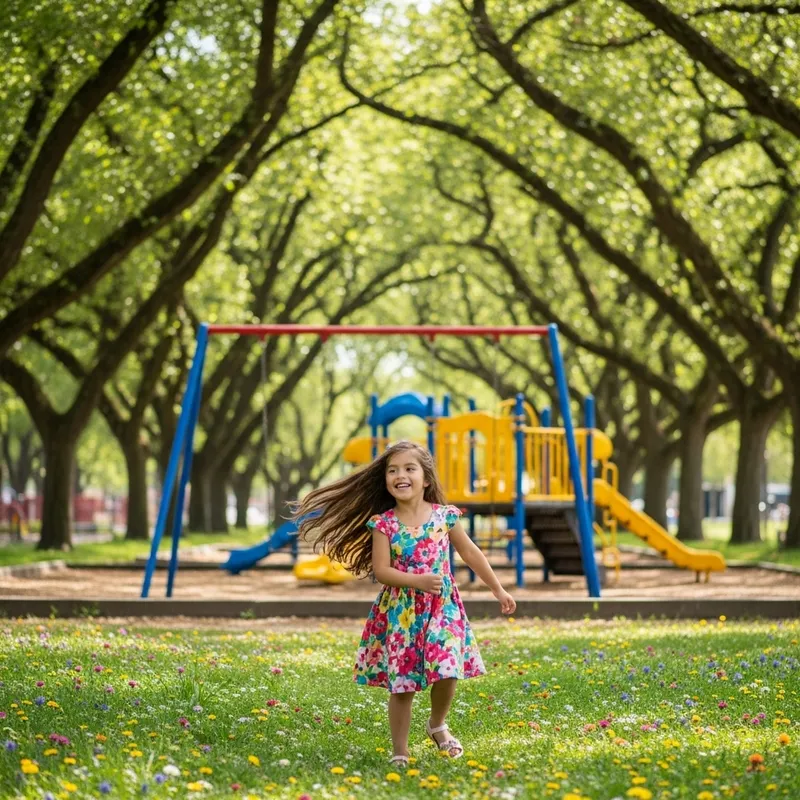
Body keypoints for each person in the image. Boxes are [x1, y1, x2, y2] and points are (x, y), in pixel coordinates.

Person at [296, 440, 516, 766]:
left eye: (409, 469)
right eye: (393, 470)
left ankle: (437, 724)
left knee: (447, 665)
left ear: (425, 479)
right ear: (386, 480)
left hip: (442, 606)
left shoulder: (444, 517)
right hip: (401, 612)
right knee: (403, 685)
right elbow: (383, 571)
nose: (401, 475)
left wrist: (498, 589)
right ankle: (400, 750)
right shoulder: (383, 524)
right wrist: (418, 582)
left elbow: (470, 552)